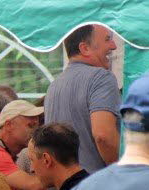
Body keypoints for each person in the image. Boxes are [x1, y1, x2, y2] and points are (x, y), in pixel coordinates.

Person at [45, 24, 120, 172]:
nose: (114, 46)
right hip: (94, 186)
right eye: (107, 39)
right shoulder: (101, 77)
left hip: (61, 189)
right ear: (85, 48)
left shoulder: (54, 86)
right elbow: (103, 135)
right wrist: (122, 170)